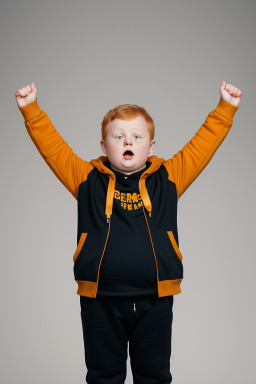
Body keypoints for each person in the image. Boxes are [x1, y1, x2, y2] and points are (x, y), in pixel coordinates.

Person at [15, 80, 241, 383]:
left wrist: (225, 108)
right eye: (118, 136)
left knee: (154, 376)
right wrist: (31, 109)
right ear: (104, 146)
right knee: (103, 376)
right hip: (99, 300)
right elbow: (54, 149)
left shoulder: (169, 178)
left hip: (155, 299)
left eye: (136, 136)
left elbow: (201, 146)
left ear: (151, 146)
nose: (127, 142)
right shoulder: (86, 180)